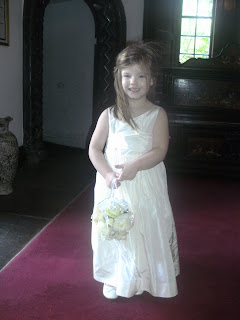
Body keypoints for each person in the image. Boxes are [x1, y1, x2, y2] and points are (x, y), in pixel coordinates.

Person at [89, 41, 180, 299]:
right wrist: (107, 174)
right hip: (113, 185)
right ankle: (115, 276)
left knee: (145, 225)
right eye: (127, 75)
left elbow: (160, 149)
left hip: (144, 180)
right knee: (115, 228)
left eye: (141, 76)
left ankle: (149, 275)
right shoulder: (109, 114)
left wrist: (135, 166)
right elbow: (95, 149)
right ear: (119, 78)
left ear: (151, 80)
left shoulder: (157, 114)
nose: (133, 82)